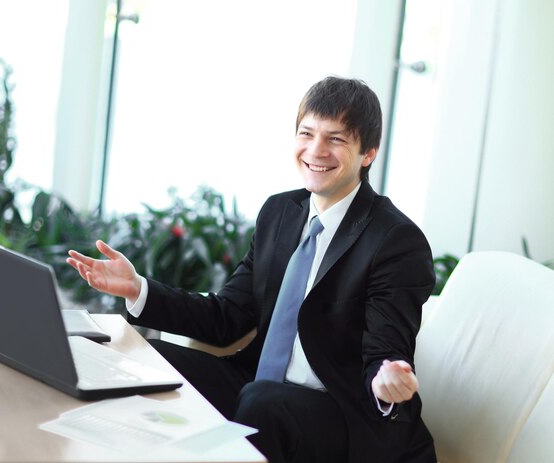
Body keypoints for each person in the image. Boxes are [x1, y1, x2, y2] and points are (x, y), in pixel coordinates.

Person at [67, 76, 437, 462]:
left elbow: (386, 349)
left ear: (368, 153)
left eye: (336, 139)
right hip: (259, 388)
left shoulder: (394, 240)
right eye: (306, 133)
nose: (316, 150)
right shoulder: (280, 213)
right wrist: (138, 289)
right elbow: (228, 317)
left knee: (262, 402)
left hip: (344, 413)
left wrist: (385, 381)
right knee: (150, 358)